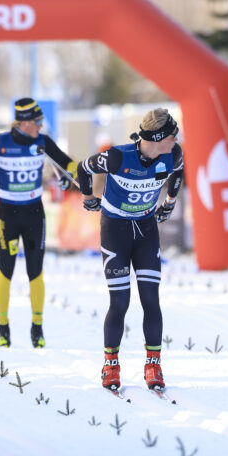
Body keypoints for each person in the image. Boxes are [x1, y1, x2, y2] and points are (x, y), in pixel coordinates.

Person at [77, 108, 184, 393]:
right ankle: (111, 364)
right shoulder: (117, 156)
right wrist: (88, 197)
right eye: (173, 135)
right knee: (120, 302)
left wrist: (169, 202)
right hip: (116, 232)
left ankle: (153, 364)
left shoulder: (171, 154)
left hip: (146, 231)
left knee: (151, 299)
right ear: (159, 137)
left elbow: (178, 172)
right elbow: (82, 168)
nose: (177, 140)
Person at [0, 97, 77, 349]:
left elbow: (69, 163)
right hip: (8, 215)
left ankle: (37, 328)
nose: (41, 125)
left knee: (35, 272)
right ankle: (3, 328)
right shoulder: (0, 142)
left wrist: (71, 177)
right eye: (37, 121)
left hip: (34, 213)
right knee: (6, 271)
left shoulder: (42, 142)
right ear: (24, 122)